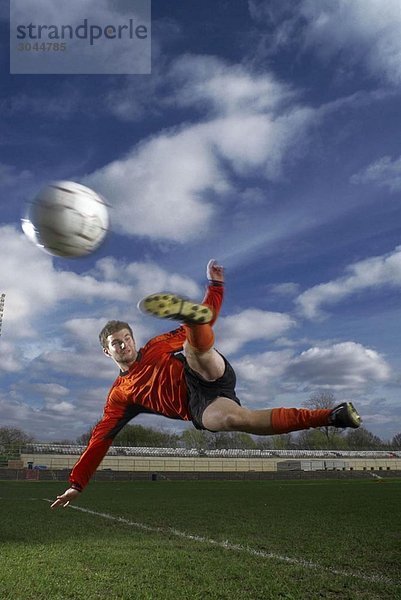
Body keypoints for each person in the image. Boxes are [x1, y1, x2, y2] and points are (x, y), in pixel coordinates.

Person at [51, 259, 361, 509]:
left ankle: (192, 322)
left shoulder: (157, 345)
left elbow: (210, 317)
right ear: (107, 351)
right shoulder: (119, 395)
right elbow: (99, 440)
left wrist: (215, 287)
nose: (123, 345)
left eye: (127, 338)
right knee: (237, 420)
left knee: (194, 348)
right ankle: (332, 416)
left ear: (133, 338)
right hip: (198, 405)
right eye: (115, 343)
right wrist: (77, 483)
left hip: (201, 371)